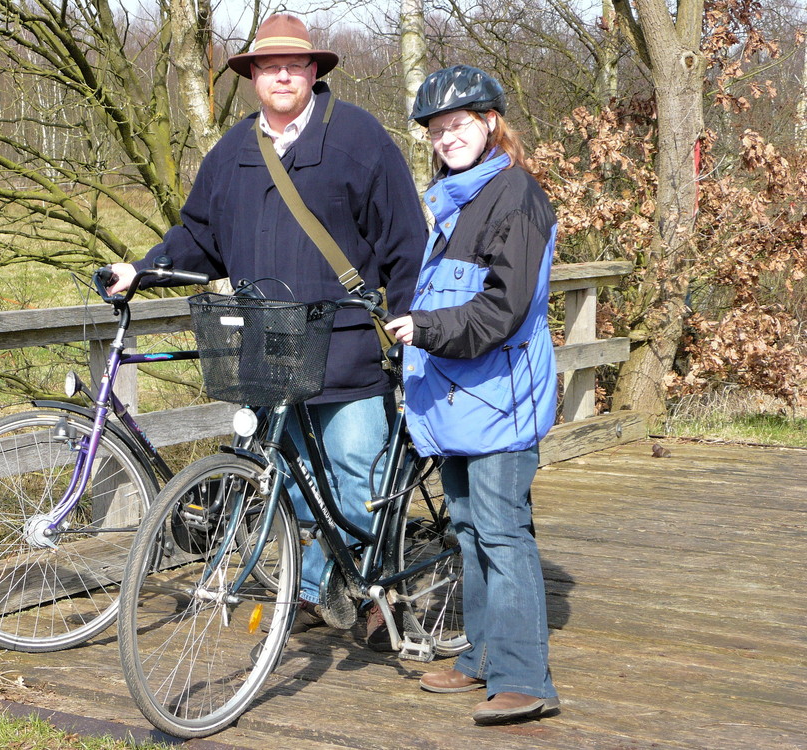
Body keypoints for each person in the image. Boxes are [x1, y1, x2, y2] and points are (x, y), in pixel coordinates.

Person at [106, 14, 425, 642]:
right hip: (269, 352)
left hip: (346, 349)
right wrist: (141, 270)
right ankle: (309, 591)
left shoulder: (360, 140)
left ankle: (373, 592)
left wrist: (408, 315)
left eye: (295, 65)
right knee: (292, 484)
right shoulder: (231, 154)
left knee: (357, 471)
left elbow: (405, 240)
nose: (282, 74)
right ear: (252, 76)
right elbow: (199, 236)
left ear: (314, 72)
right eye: (268, 66)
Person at [385, 65, 561, 724]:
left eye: (457, 124)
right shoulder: (452, 198)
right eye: (436, 130)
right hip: (457, 400)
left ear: (490, 123)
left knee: (501, 533)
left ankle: (526, 679)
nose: (445, 138)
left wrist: (424, 328)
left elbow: (502, 310)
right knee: (467, 529)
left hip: (499, 399)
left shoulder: (513, 194)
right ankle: (481, 658)